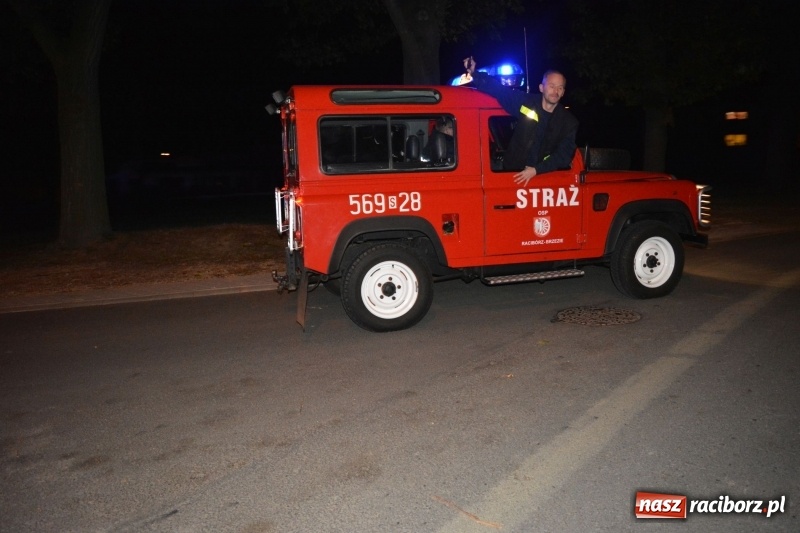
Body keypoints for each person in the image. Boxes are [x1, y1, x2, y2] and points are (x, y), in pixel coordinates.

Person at [464, 57, 578, 186]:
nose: (555, 91)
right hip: (511, 173)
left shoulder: (568, 122)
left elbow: (564, 156)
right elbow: (500, 92)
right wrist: (474, 73)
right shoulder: (527, 103)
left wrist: (536, 170)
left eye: (560, 88)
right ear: (541, 87)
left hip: (543, 180)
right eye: (552, 86)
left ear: (563, 92)